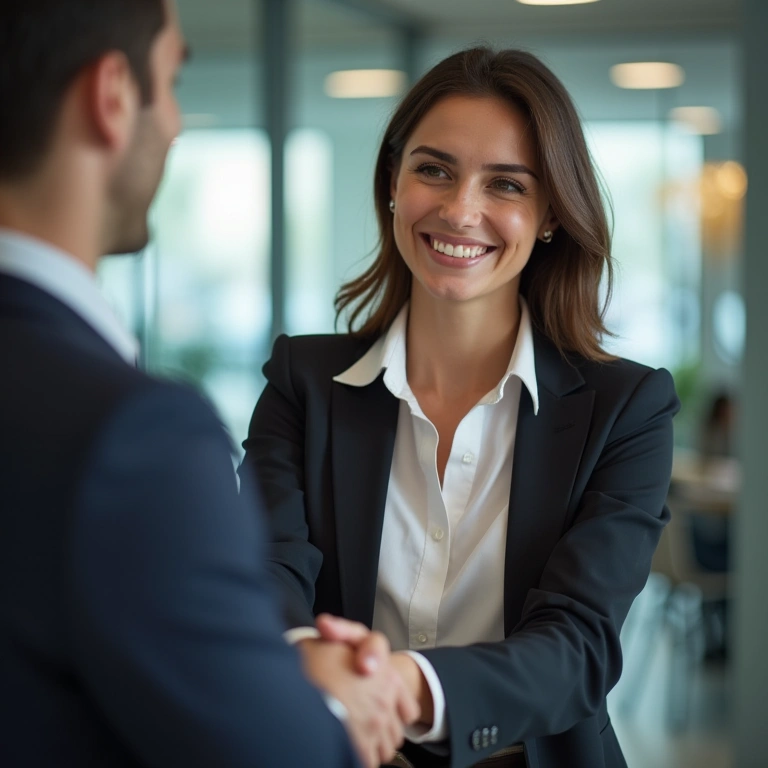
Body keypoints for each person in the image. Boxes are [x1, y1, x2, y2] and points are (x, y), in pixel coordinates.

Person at [0, 1, 419, 767]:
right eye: (172, 82)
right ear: (113, 96)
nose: (178, 122)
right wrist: (327, 701)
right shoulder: (132, 436)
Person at [241, 47, 680, 768]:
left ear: (548, 216)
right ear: (393, 182)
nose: (459, 209)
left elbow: (577, 643)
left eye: (505, 184)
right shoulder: (303, 380)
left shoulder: (626, 407)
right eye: (434, 169)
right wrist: (306, 658)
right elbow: (265, 573)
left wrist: (402, 686)